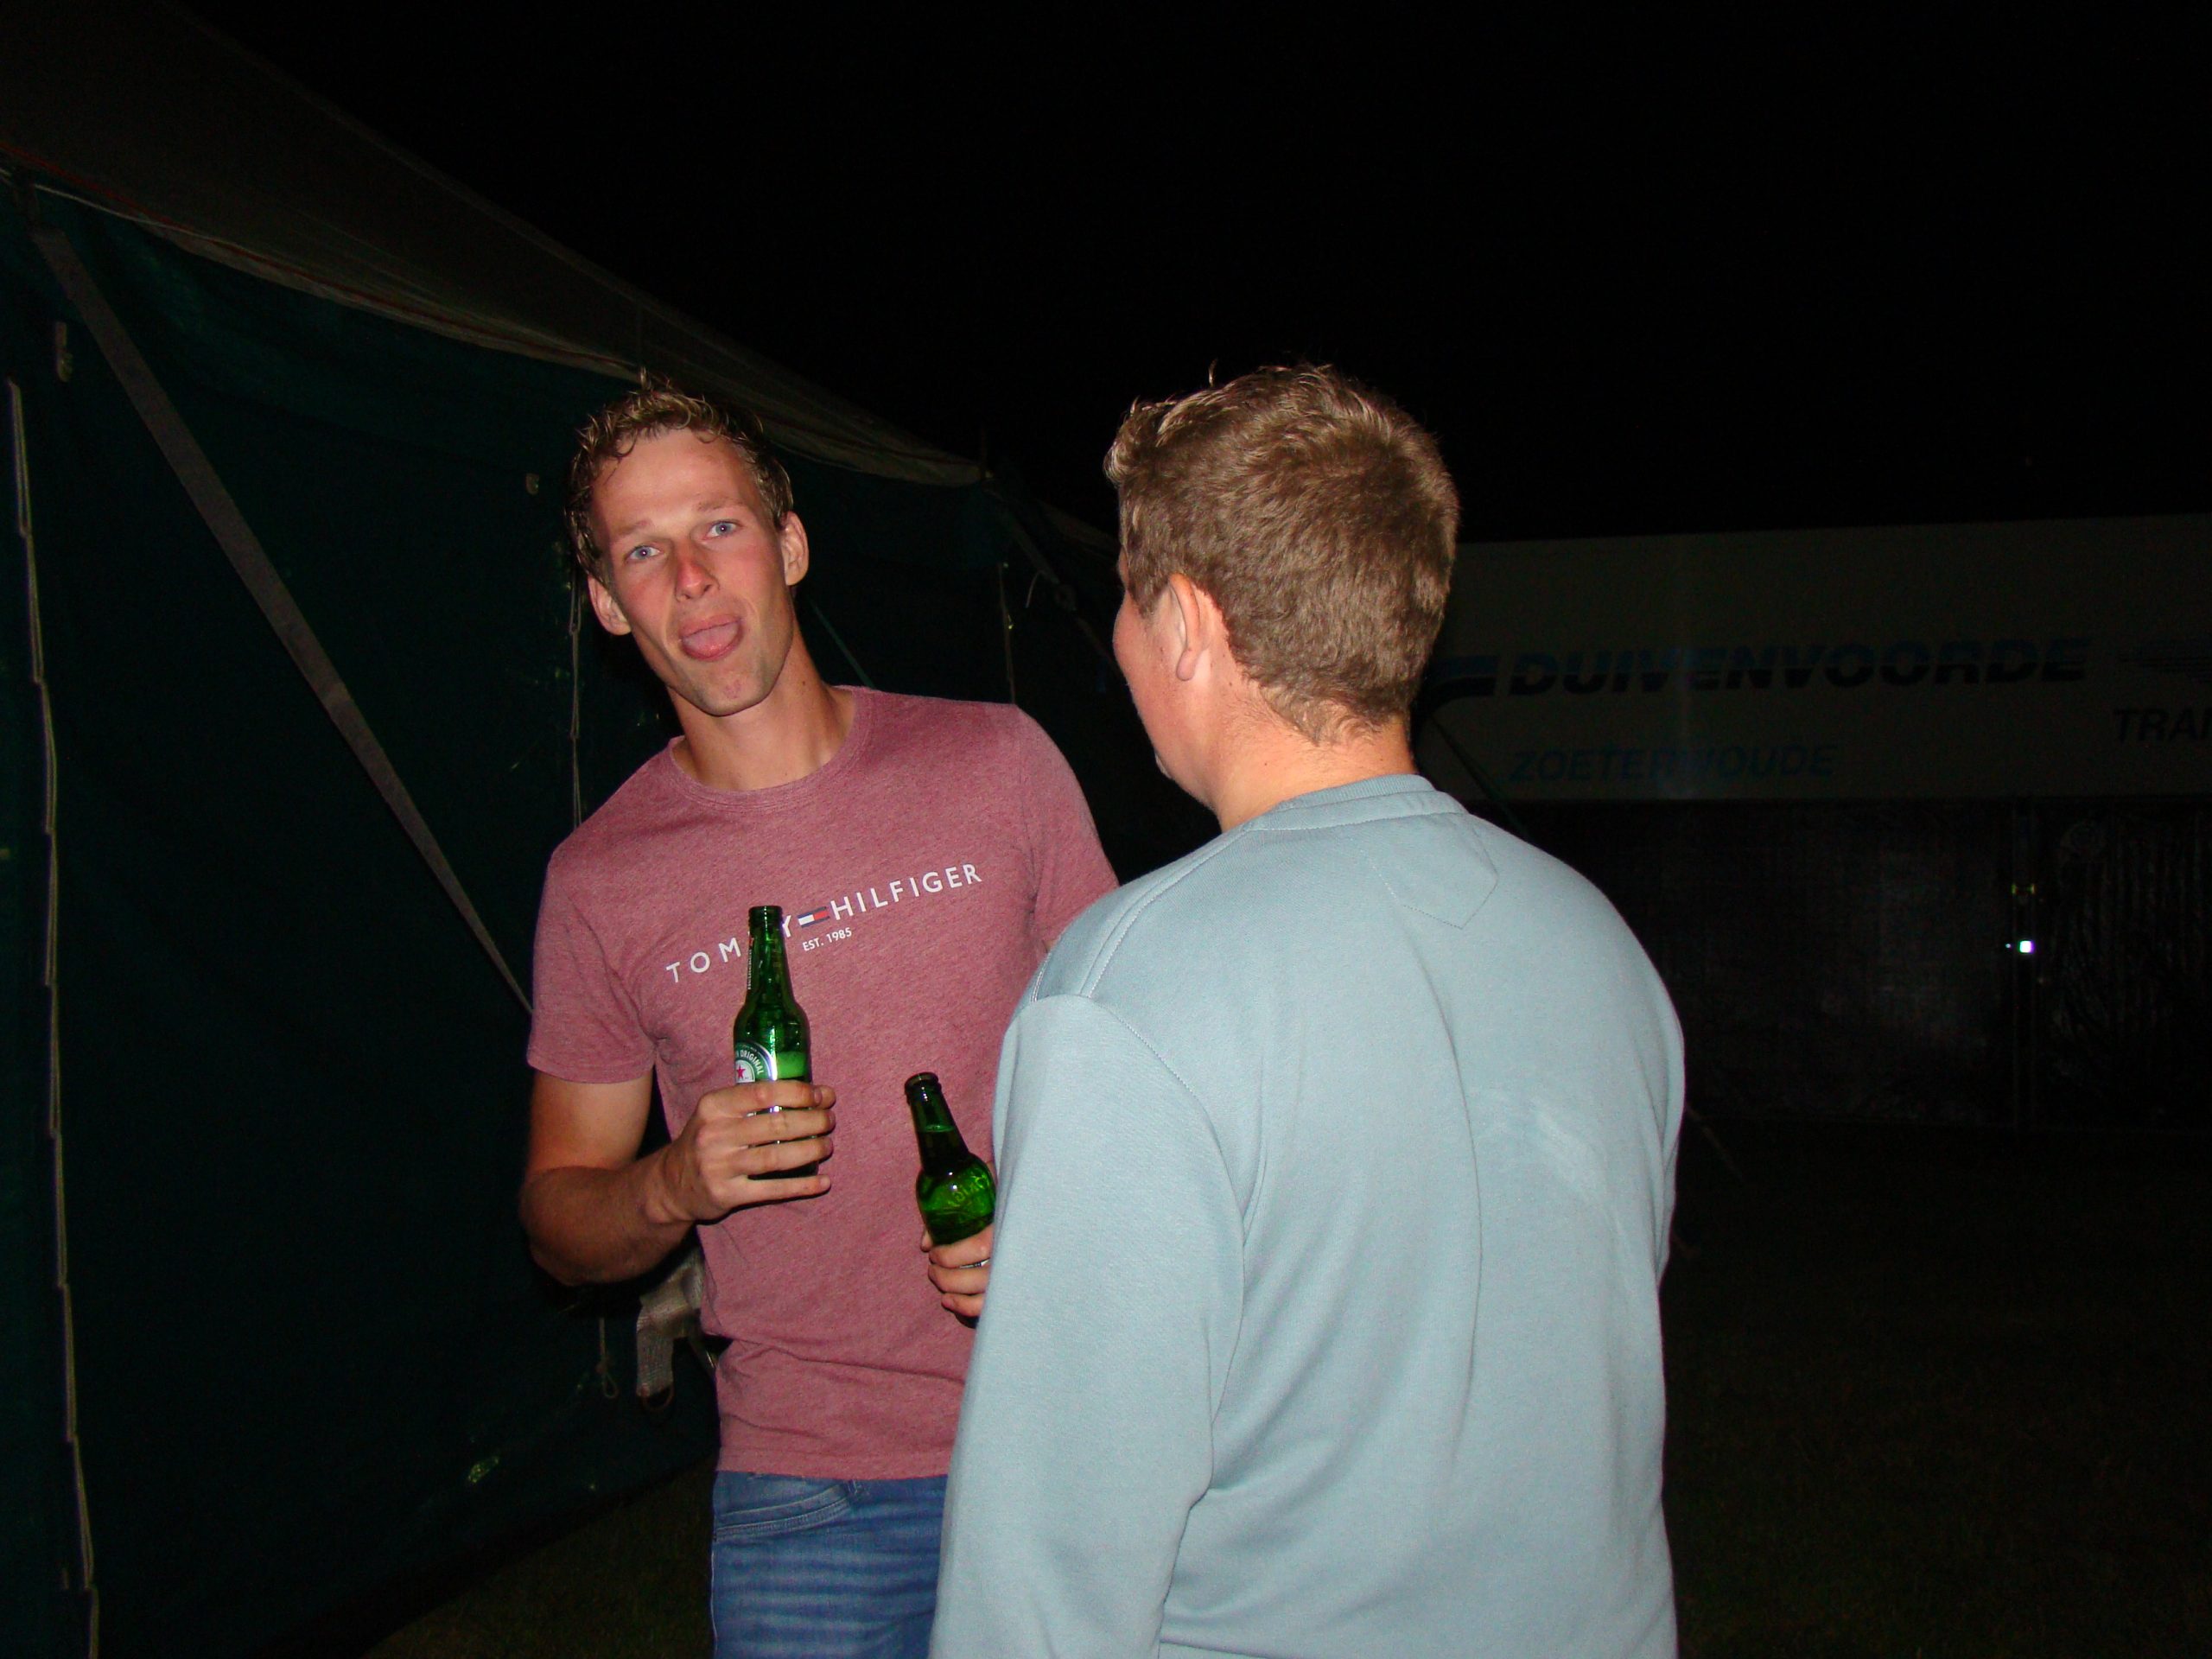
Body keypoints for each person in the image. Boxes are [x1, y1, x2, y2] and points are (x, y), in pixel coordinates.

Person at [932, 366, 1684, 1657]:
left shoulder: (1131, 986)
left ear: (1187, 623)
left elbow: (1051, 1556)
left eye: (1127, 594)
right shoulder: (1595, 943)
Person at [519, 385, 1116, 1659]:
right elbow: (559, 1221)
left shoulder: (997, 762)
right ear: (609, 605)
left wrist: (1060, 1215)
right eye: (642, 551)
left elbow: (1142, 1077)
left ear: (790, 545)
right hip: (814, 1484)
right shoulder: (599, 880)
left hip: (1079, 1422)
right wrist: (673, 1182)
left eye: (719, 526)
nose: (690, 576)